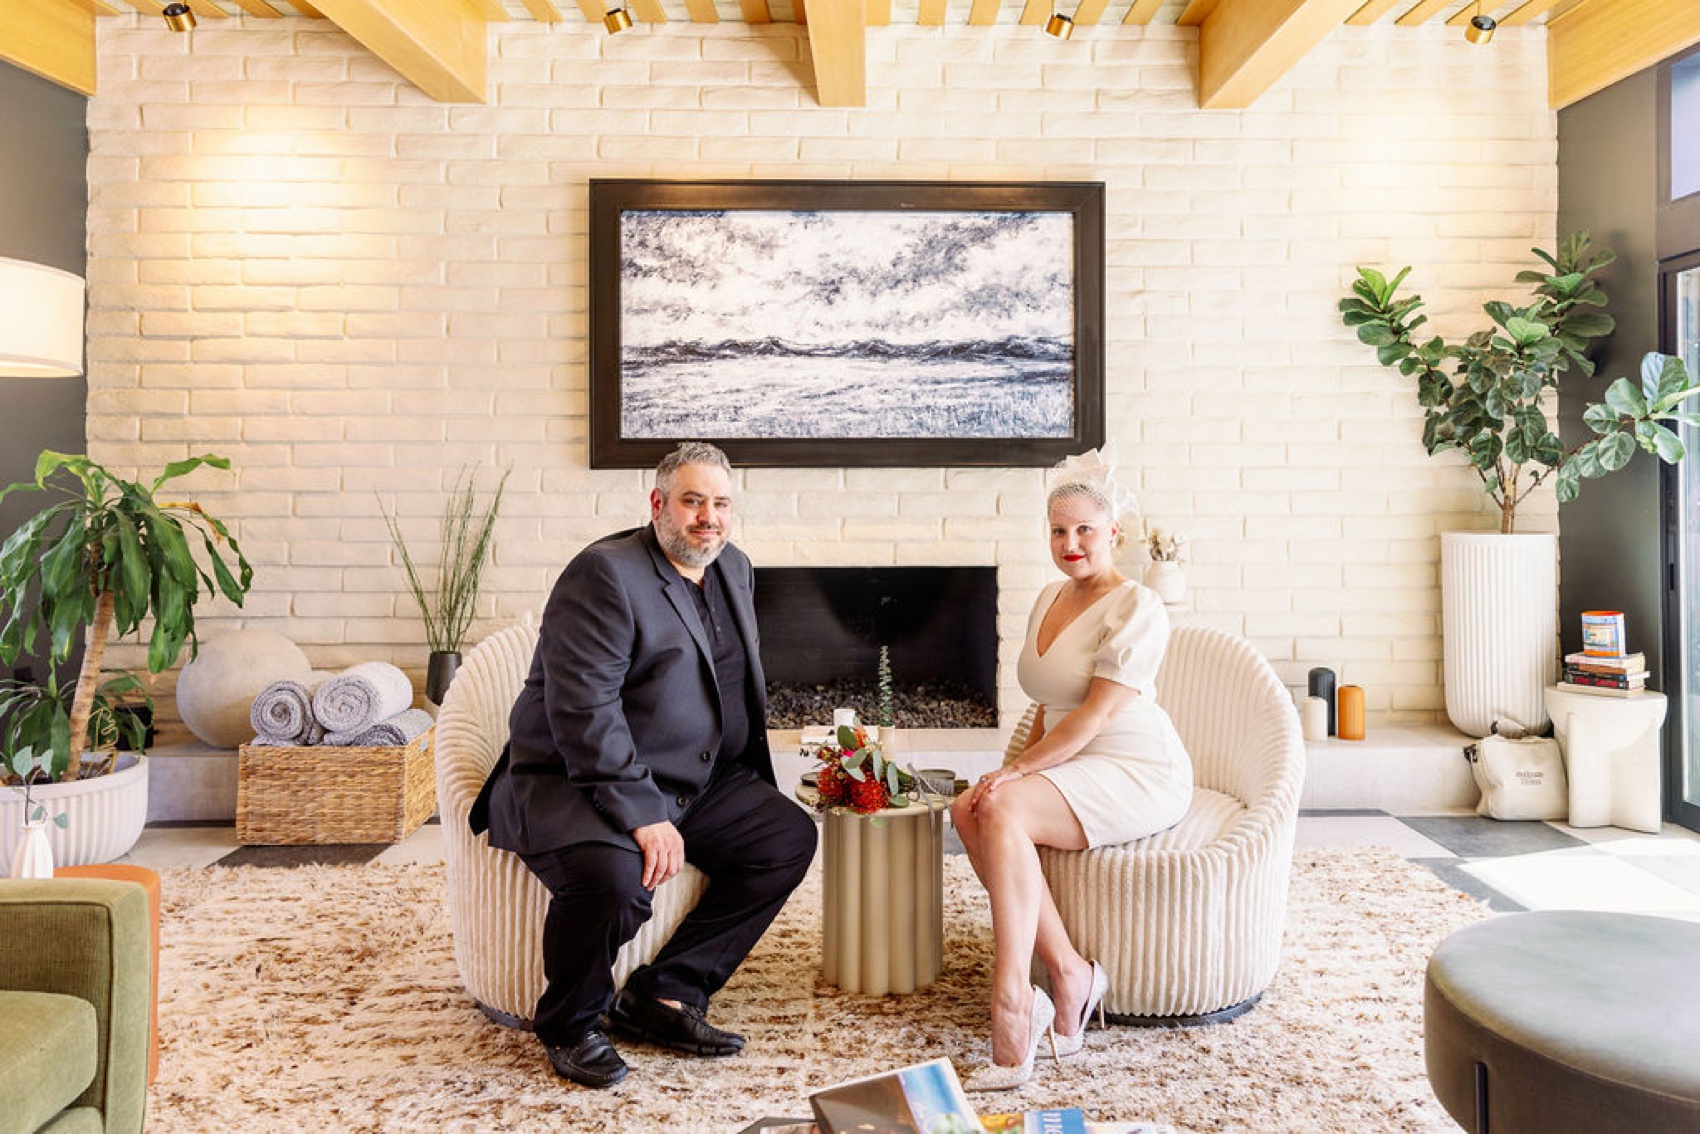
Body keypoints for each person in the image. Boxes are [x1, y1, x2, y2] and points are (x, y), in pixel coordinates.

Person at [473, 441, 818, 1089]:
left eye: (721, 504)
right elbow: (584, 711)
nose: (709, 517)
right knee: (616, 877)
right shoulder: (604, 574)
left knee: (786, 838)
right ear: (658, 504)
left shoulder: (733, 566)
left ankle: (665, 993)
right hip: (575, 777)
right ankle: (570, 1024)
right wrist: (644, 815)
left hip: (691, 777)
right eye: (693, 501)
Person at [950, 448, 1192, 1092]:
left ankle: (1011, 1001)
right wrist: (1007, 774)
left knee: (999, 803)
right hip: (1070, 759)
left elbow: (1091, 716)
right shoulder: (1049, 597)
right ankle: (1071, 973)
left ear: (1114, 532)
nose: (1071, 543)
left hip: (1135, 765)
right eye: (1059, 531)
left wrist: (1017, 777)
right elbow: (1047, 706)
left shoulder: (1138, 605)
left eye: (1085, 529)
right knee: (967, 806)